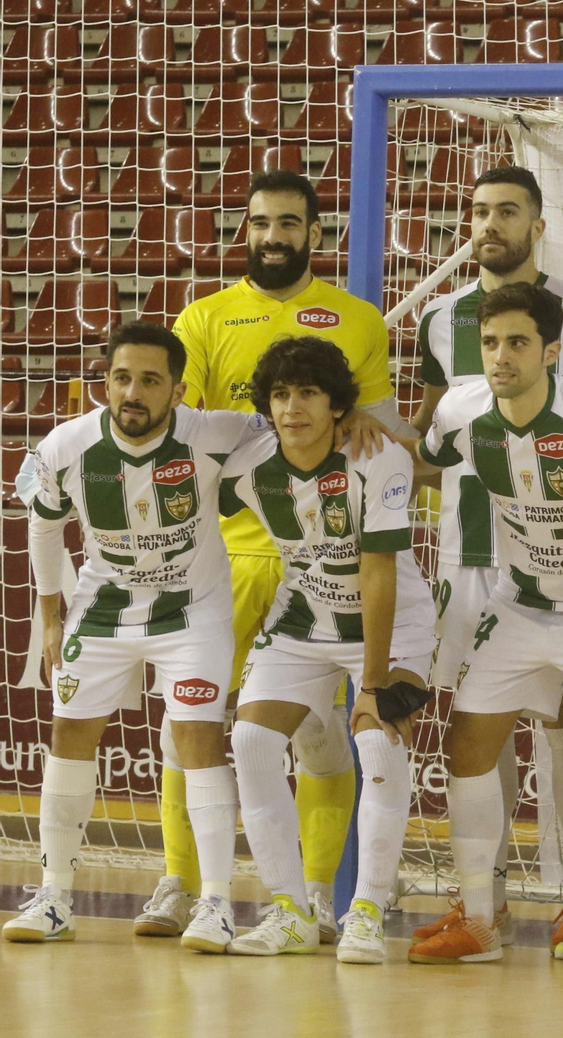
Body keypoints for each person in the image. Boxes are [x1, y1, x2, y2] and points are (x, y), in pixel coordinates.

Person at [154, 169, 400, 943]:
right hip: (220, 555)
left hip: (317, 563)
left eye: (288, 224)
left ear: (314, 234)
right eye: (260, 223)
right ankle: (184, 885)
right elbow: (178, 430)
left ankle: (317, 893)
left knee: (318, 736)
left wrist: (371, 424)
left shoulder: (358, 320)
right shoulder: (204, 317)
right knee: (189, 720)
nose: (272, 237)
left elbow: (383, 427)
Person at [406, 282, 563, 966]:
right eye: (490, 343)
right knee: (467, 744)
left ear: (551, 350)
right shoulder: (462, 409)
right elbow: (424, 457)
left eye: (517, 342)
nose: (500, 356)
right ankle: (482, 919)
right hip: (521, 604)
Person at [403, 164, 563, 957]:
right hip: (464, 552)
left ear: (539, 224)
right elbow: (429, 439)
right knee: (472, 730)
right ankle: (477, 904)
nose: (491, 225)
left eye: (508, 212)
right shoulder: (440, 319)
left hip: (555, 550)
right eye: (480, 210)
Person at [2, 324, 263, 952]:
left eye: (150, 380)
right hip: (102, 610)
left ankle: (218, 906)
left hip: (192, 613)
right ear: (106, 383)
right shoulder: (66, 445)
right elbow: (42, 524)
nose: (133, 393)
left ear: (177, 390)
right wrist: (49, 613)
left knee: (198, 738)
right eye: (122, 378)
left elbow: (288, 429)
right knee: (69, 736)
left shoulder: (215, 433)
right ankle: (55, 896)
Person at [219, 335, 435, 964]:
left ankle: (366, 908)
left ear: (338, 404)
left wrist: (369, 684)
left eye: (310, 393)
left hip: (392, 628)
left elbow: (378, 573)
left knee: (377, 740)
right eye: (282, 395)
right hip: (300, 622)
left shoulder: (378, 459)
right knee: (252, 741)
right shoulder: (248, 463)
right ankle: (289, 911)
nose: (293, 407)